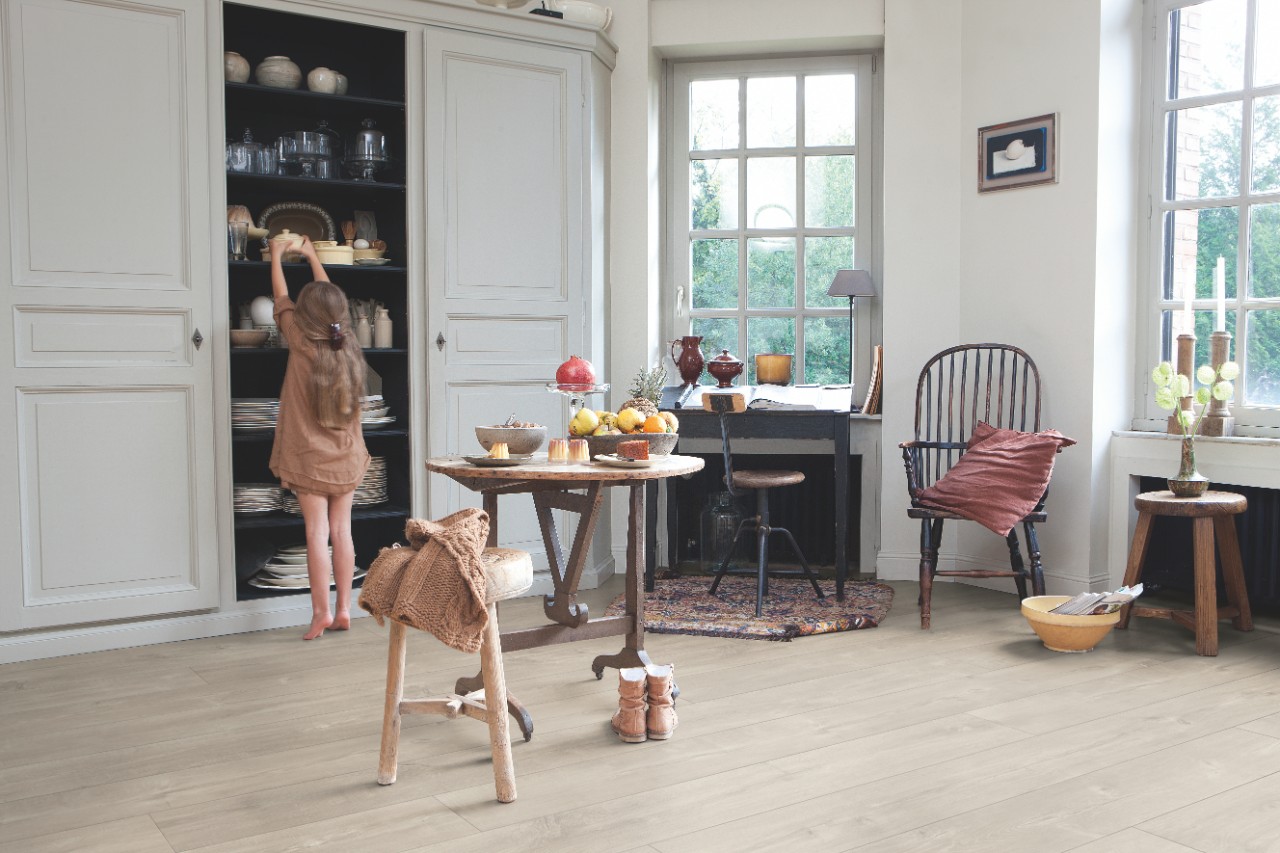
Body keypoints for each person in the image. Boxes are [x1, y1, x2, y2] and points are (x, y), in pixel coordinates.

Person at [269, 235, 370, 639]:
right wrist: (313, 256)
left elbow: (281, 298)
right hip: (346, 456)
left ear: (304, 315)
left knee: (317, 533)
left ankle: (320, 613)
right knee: (343, 531)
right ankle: (344, 608)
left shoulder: (298, 339)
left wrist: (277, 256)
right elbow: (331, 304)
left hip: (309, 458)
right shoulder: (348, 343)